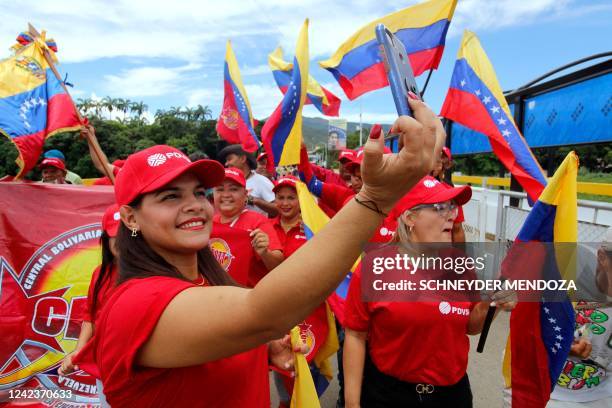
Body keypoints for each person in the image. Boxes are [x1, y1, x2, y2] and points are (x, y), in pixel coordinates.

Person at [86, 96, 442, 407]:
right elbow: (263, 312)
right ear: (130, 217)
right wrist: (376, 198)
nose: (195, 205)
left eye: (197, 193)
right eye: (169, 197)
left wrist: (255, 349)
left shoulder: (203, 284)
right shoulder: (134, 303)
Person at [343, 176, 517, 408]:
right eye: (439, 207)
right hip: (388, 395)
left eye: (452, 207)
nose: (452, 214)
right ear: (410, 217)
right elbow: (355, 336)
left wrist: (493, 301)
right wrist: (352, 403)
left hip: (451, 397)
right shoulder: (373, 267)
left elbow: (472, 326)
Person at [59, 204, 120, 407]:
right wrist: (78, 352)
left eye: (130, 235)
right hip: (105, 365)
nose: (123, 242)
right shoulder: (99, 274)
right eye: (115, 236)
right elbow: (90, 317)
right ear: (105, 240)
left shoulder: (152, 273)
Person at [548, 227, 612, 407]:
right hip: (550, 387)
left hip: (600, 392)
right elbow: (532, 328)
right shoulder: (568, 271)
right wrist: (564, 346)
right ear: (602, 257)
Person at [213, 167, 284, 287]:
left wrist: (265, 253)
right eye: (220, 189)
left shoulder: (257, 222)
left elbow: (279, 266)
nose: (226, 195)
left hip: (247, 299)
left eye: (233, 189)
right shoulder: (210, 223)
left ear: (246, 195)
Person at [217, 144, 277, 217]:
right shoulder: (226, 182)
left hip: (256, 227)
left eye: (229, 159)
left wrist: (253, 200)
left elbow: (278, 209)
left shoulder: (261, 181)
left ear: (243, 159)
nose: (226, 164)